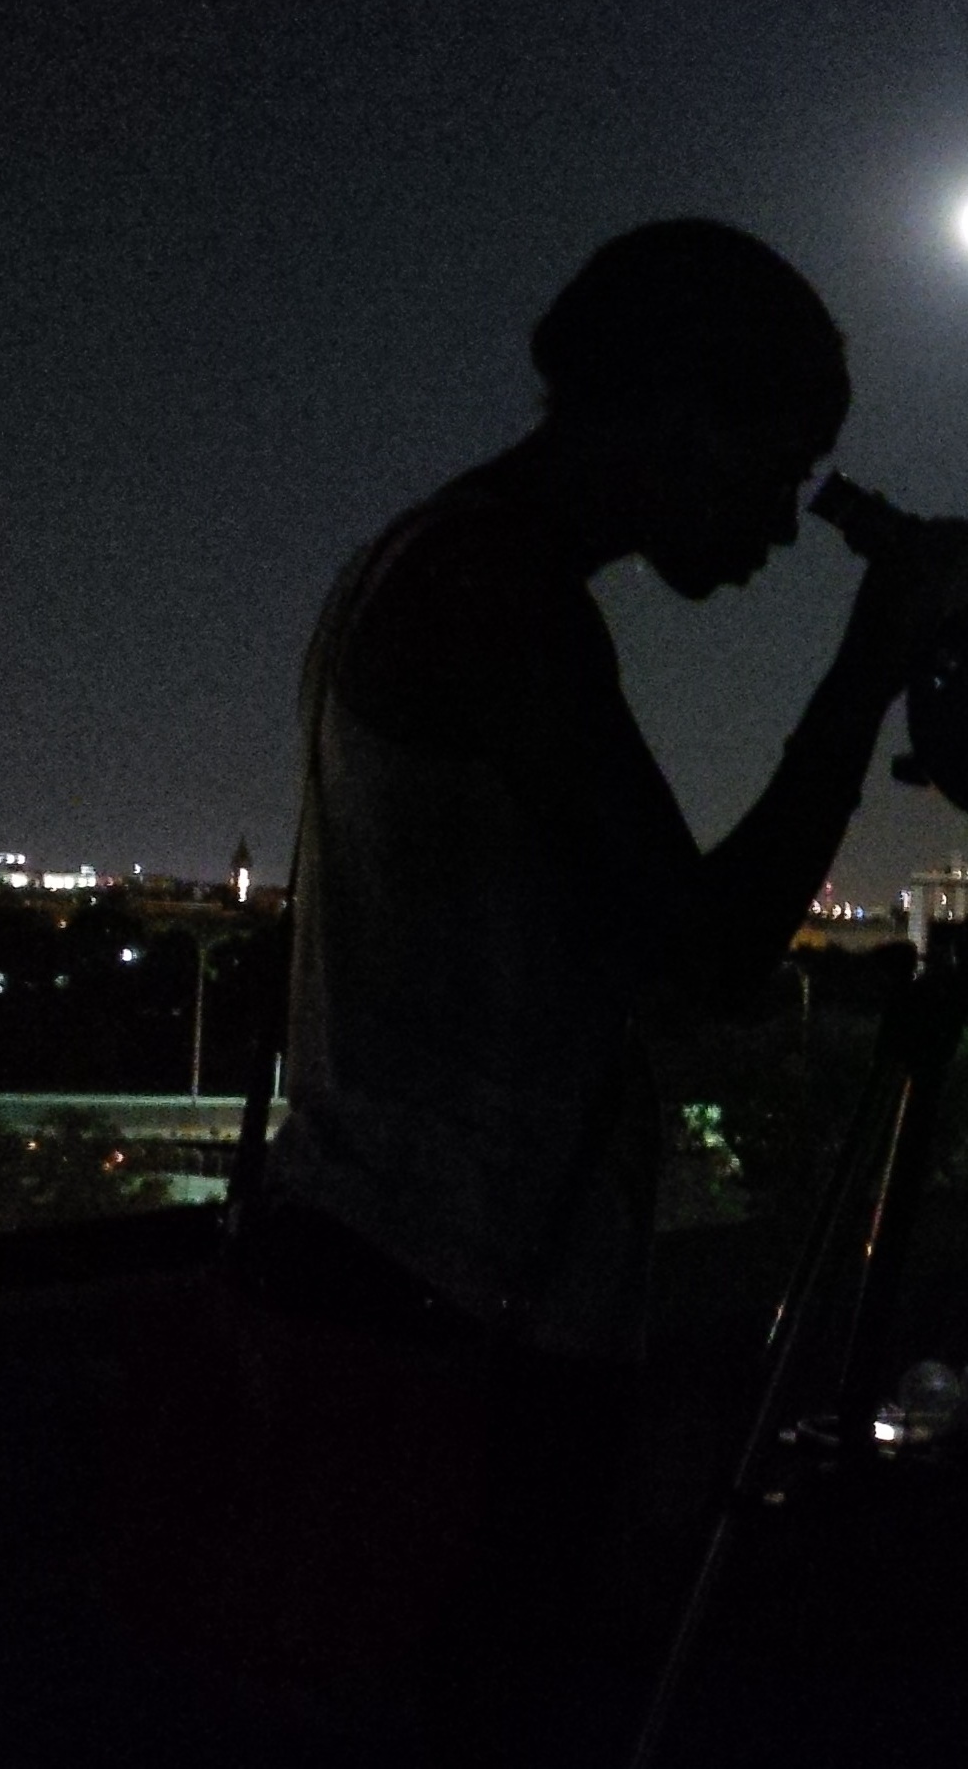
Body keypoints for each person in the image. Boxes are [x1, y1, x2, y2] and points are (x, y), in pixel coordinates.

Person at [234, 220, 924, 1759]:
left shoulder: (432, 563)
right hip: (460, 1318)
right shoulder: (495, 599)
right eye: (781, 464)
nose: (780, 525)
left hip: (410, 1277)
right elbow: (711, 945)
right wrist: (868, 669)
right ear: (689, 417)